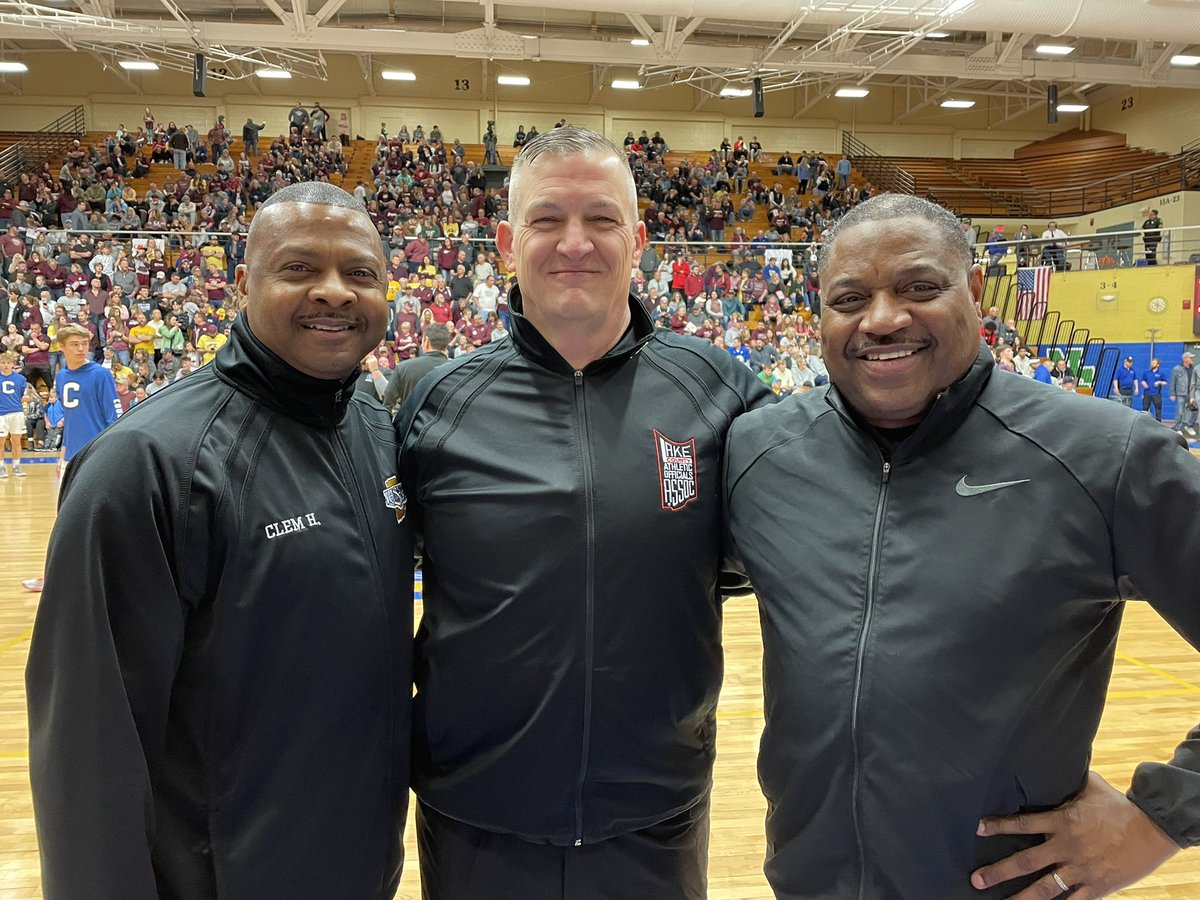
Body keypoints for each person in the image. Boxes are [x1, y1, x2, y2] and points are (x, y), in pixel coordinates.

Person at [725, 194, 1200, 899]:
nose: (882, 319)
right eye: (849, 298)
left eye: (919, 287)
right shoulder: (759, 453)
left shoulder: (1104, 455)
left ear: (974, 291)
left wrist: (1161, 818)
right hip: (807, 883)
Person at [397, 127, 772, 900]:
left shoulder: (721, 393)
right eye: (547, 220)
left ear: (638, 241)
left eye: (601, 219)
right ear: (508, 243)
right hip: (475, 819)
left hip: (657, 816)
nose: (575, 242)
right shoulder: (436, 405)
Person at [26, 182, 414, 899]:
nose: (334, 291)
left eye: (359, 273)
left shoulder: (373, 425)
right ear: (242, 283)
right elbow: (87, 749)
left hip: (362, 867)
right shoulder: (145, 465)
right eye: (299, 268)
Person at [377, 321, 451, 414]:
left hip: (410, 421)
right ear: (447, 343)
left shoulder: (404, 367)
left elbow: (388, 400)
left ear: (426, 341)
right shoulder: (457, 370)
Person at [0, 351, 28, 477]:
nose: (6, 365)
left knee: (16, 441)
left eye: (8, 363)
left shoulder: (20, 379)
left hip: (17, 413)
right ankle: (1, 467)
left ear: (13, 364)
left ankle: (16, 466)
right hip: (1, 414)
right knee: (0, 442)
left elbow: (23, 395)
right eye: (3, 363)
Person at [1171, 350, 1198, 437]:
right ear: (1185, 359)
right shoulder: (1177, 369)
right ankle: (1178, 428)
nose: (1192, 359)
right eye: (1191, 358)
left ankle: (1189, 426)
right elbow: (1173, 382)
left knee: (1195, 411)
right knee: (1180, 412)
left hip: (1191, 394)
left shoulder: (1194, 369)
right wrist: (1172, 393)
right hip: (1181, 394)